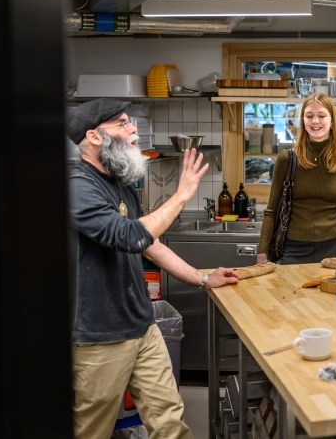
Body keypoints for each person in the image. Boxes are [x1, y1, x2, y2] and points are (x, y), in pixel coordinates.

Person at [67, 98, 240, 439]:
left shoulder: (120, 184)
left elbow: (151, 244)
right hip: (99, 336)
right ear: (95, 136)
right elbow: (128, 236)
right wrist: (181, 195)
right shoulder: (77, 187)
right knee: (92, 429)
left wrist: (204, 280)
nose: (134, 131)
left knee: (169, 421)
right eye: (123, 124)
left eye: (131, 122)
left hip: (141, 325)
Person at [257, 93, 336, 264]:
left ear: (332, 121)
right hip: (294, 247)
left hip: (335, 245)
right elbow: (271, 211)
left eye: (321, 116)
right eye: (309, 116)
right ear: (303, 120)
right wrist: (262, 252)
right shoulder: (287, 158)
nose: (315, 121)